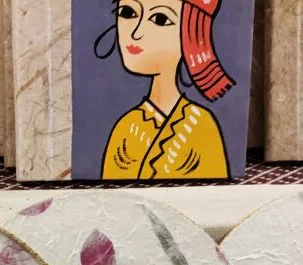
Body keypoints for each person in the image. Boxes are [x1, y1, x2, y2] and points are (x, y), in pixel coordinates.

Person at [98, 0, 232, 180]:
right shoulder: (125, 127)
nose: (135, 33)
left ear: (189, 34)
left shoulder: (201, 124)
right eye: (127, 12)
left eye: (160, 19)